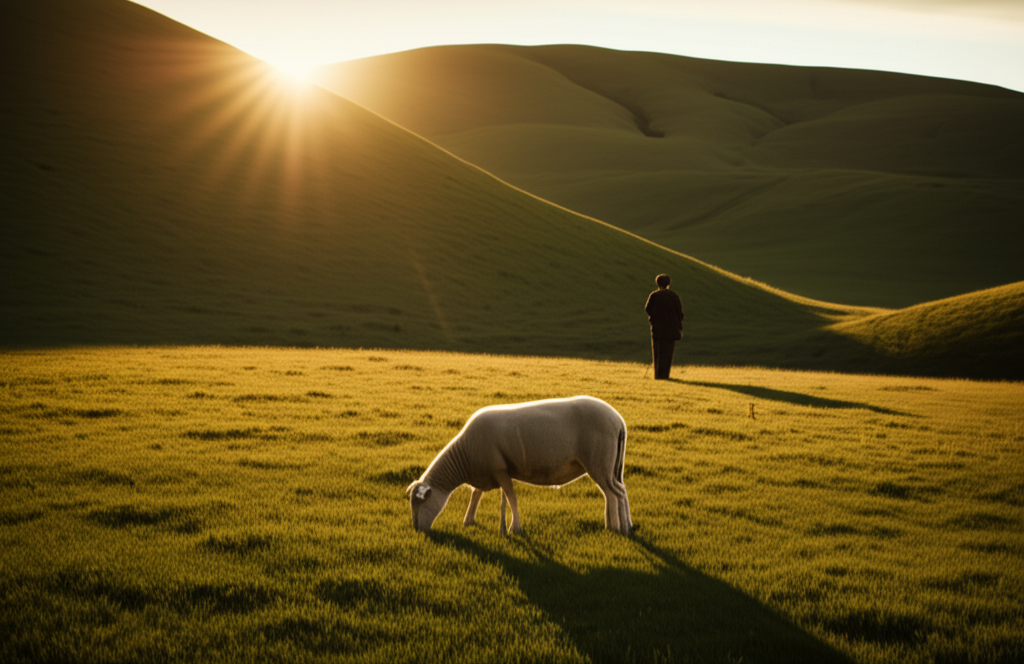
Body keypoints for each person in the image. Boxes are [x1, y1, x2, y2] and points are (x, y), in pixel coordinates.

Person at [644, 274, 684, 380]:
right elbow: (680, 314)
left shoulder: (654, 295)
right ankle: (665, 375)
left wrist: (654, 319)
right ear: (668, 283)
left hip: (657, 330)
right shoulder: (674, 296)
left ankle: (658, 375)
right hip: (671, 330)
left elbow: (648, 309)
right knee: (668, 354)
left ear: (657, 283)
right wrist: (679, 327)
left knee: (657, 353)